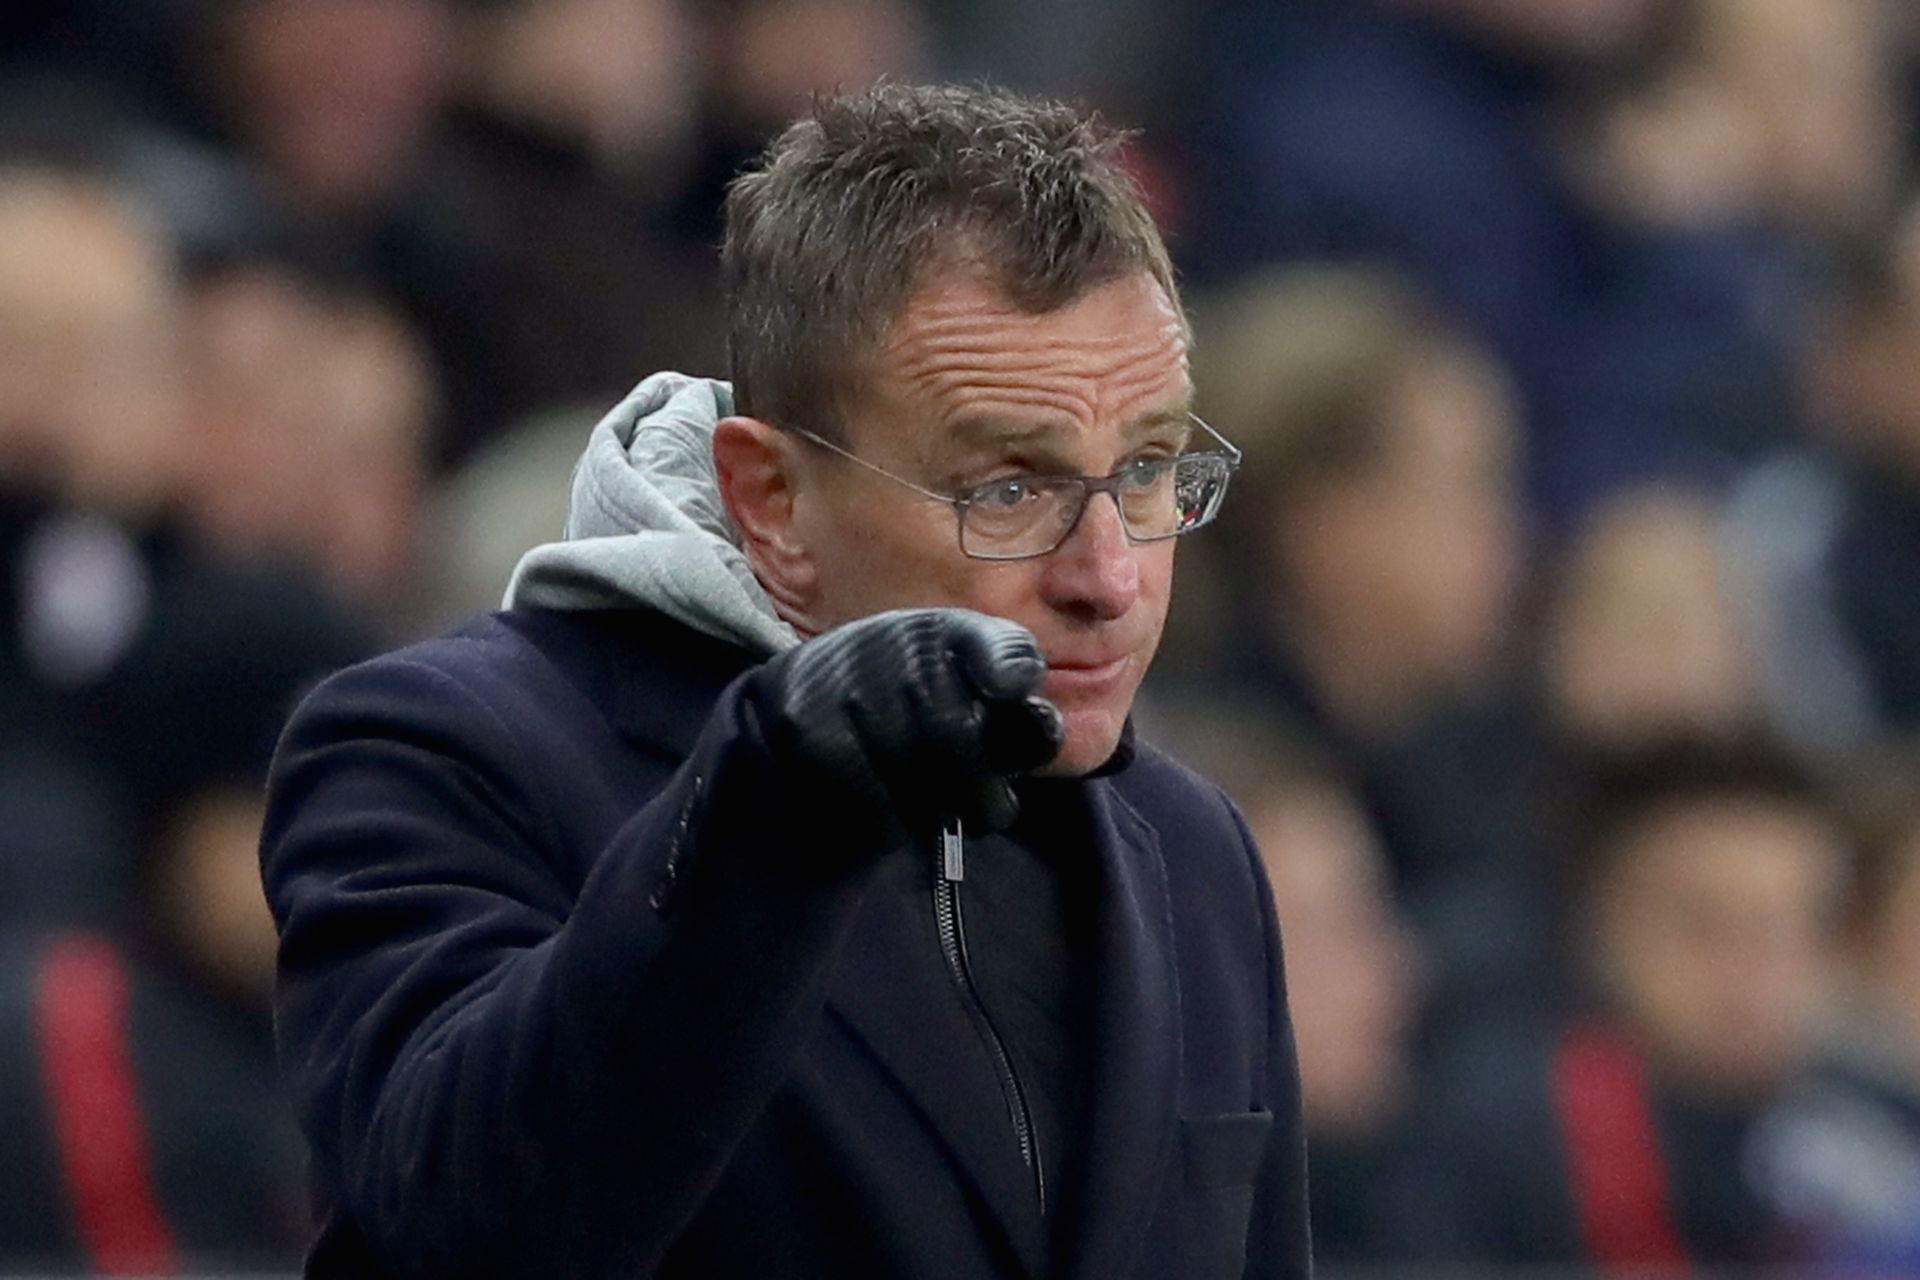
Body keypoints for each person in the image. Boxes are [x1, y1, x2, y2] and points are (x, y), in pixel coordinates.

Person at [261, 82, 1311, 1279]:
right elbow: (460, 1234)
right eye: (1008, 487)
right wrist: (764, 830)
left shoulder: (1195, 847)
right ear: (772, 500)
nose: (1110, 577)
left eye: (1149, 468)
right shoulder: (442, 750)